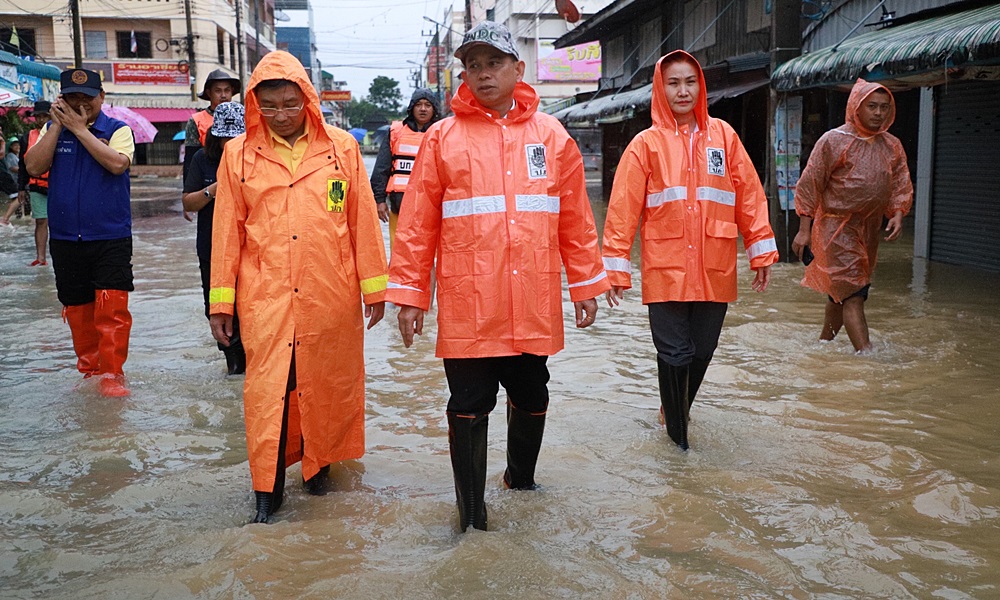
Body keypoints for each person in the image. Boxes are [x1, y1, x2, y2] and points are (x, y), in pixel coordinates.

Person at [386, 21, 609, 533]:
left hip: (531, 297)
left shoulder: (551, 136)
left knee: (533, 396)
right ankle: (471, 515)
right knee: (467, 404)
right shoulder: (443, 137)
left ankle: (520, 481)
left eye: (493, 64)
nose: (482, 75)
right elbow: (417, 224)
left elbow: (574, 217)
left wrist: (586, 283)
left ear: (518, 69)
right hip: (470, 302)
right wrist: (411, 295)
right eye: (473, 66)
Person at [208, 51, 388, 525]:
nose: (282, 116)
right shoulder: (237, 154)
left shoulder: (342, 148)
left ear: (307, 100)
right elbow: (227, 231)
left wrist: (375, 289)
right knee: (270, 387)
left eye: (291, 104)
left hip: (331, 289)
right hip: (264, 292)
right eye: (270, 107)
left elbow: (362, 221)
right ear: (256, 105)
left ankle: (319, 468)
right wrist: (220, 301)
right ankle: (267, 489)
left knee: (325, 380)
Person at [601, 50, 778, 451]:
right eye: (673, 83)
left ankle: (673, 409)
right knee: (676, 354)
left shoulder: (724, 137)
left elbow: (749, 195)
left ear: (701, 86)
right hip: (665, 265)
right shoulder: (645, 144)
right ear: (660, 90)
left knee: (703, 351)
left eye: (690, 82)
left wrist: (760, 251)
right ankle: (679, 447)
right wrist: (615, 269)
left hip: (715, 263)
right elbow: (623, 208)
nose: (682, 91)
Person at [24, 69, 135, 398]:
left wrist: (79, 129)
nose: (80, 103)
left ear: (102, 97)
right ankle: (90, 371)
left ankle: (112, 374)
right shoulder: (51, 129)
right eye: (72, 97)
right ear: (61, 99)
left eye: (87, 97)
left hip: (110, 235)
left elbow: (117, 164)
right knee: (77, 309)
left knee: (112, 308)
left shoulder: (118, 129)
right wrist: (59, 125)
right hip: (65, 237)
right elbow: (33, 167)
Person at [792, 78, 912, 353]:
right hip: (836, 227)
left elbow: (899, 181)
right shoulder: (834, 141)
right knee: (855, 294)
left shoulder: (891, 145)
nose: (878, 113)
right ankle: (867, 357)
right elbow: (811, 183)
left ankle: (823, 347)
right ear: (857, 107)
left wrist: (897, 212)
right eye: (872, 106)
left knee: (841, 294)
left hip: (868, 229)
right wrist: (804, 229)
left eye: (884, 107)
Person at [182, 101, 247, 375]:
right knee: (218, 307)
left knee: (251, 308)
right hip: (212, 249)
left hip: (250, 250)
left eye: (237, 138)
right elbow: (188, 202)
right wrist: (215, 189)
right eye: (225, 138)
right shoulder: (202, 160)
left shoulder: (257, 160)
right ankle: (233, 364)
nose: (230, 143)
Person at [369, 88, 441, 249]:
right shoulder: (395, 132)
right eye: (419, 105)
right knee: (399, 252)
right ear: (411, 108)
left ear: (434, 109)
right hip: (399, 205)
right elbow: (382, 168)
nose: (423, 109)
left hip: (432, 206)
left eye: (428, 105)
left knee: (429, 255)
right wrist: (379, 200)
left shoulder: (442, 133)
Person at [183, 69, 241, 220]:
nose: (223, 95)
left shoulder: (242, 116)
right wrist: (188, 195)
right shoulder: (196, 120)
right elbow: (190, 161)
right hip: (207, 174)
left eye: (227, 90)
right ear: (209, 93)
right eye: (218, 91)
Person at [2, 101, 52, 266]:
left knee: (61, 221)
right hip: (37, 185)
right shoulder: (27, 137)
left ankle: (61, 255)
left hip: (58, 185)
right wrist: (22, 187)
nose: (41, 119)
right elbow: (23, 164)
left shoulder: (60, 133)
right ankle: (41, 257)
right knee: (40, 220)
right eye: (38, 116)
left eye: (44, 116)